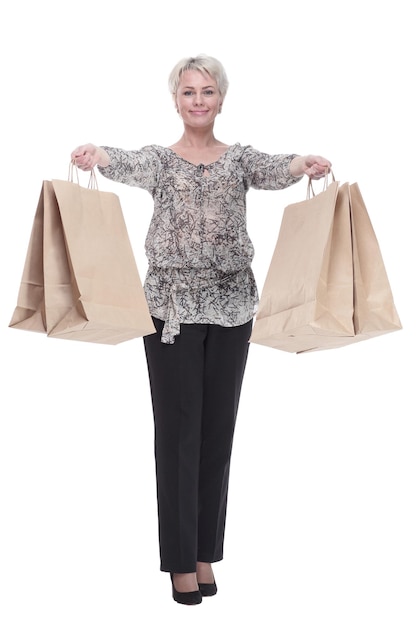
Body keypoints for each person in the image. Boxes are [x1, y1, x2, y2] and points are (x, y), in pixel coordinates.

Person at [71, 54, 331, 606]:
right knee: (178, 436)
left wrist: (304, 164)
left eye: (207, 92)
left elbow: (273, 168)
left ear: (221, 99)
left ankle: (205, 551)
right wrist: (96, 155)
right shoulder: (162, 163)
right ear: (175, 100)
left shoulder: (237, 161)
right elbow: (124, 162)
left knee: (217, 434)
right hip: (172, 310)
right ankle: (179, 562)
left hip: (234, 307)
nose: (197, 101)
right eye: (188, 92)